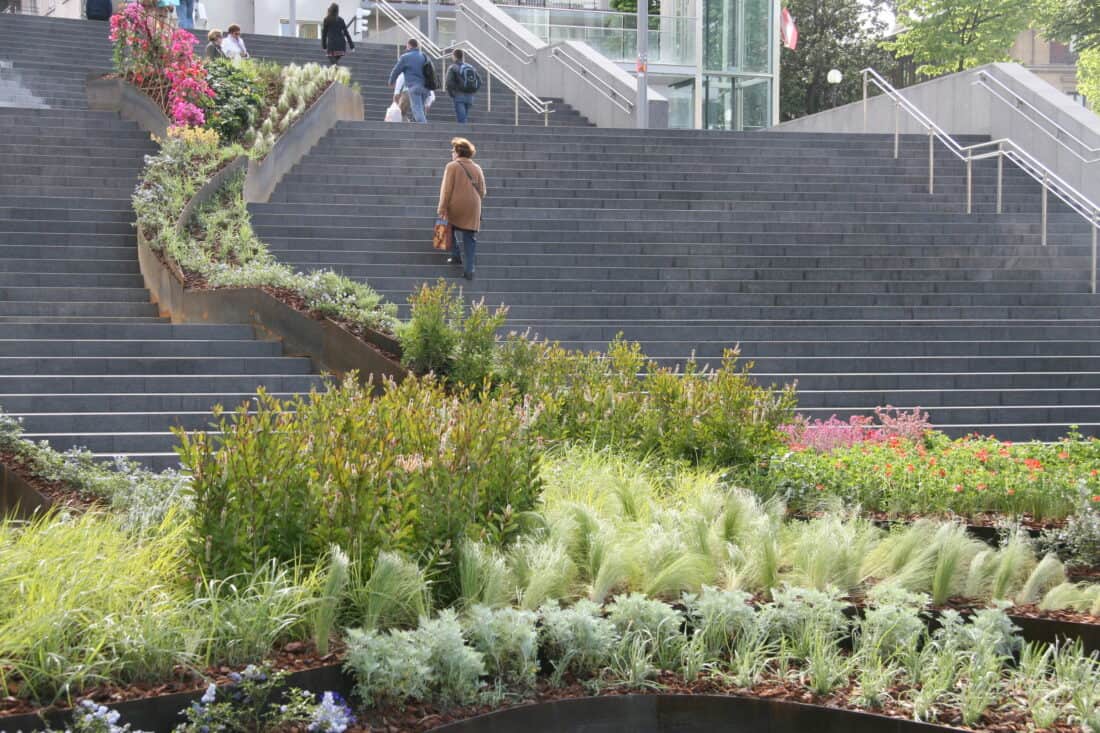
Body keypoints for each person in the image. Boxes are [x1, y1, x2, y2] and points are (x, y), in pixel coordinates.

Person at [437, 137, 486, 280]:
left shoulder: (452, 166)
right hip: (474, 207)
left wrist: (442, 208)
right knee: (469, 237)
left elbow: (446, 190)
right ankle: (469, 270)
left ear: (458, 152)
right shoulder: (477, 168)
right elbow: (483, 191)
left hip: (456, 205)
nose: (452, 153)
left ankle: (455, 254)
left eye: (453, 150)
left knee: (447, 226)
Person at [388, 39, 432, 124]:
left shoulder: (406, 57)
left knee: (417, 109)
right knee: (421, 109)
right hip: (426, 87)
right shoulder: (425, 56)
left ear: (409, 45)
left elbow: (396, 70)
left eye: (407, 46)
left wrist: (391, 81)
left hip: (414, 87)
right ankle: (423, 127)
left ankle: (424, 128)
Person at [444, 49, 481, 124]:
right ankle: (464, 133)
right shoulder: (470, 67)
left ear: (454, 56)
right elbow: (479, 81)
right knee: (464, 118)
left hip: (459, 95)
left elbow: (448, 82)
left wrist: (452, 94)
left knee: (462, 120)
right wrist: (473, 90)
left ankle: (463, 134)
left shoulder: (453, 67)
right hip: (470, 96)